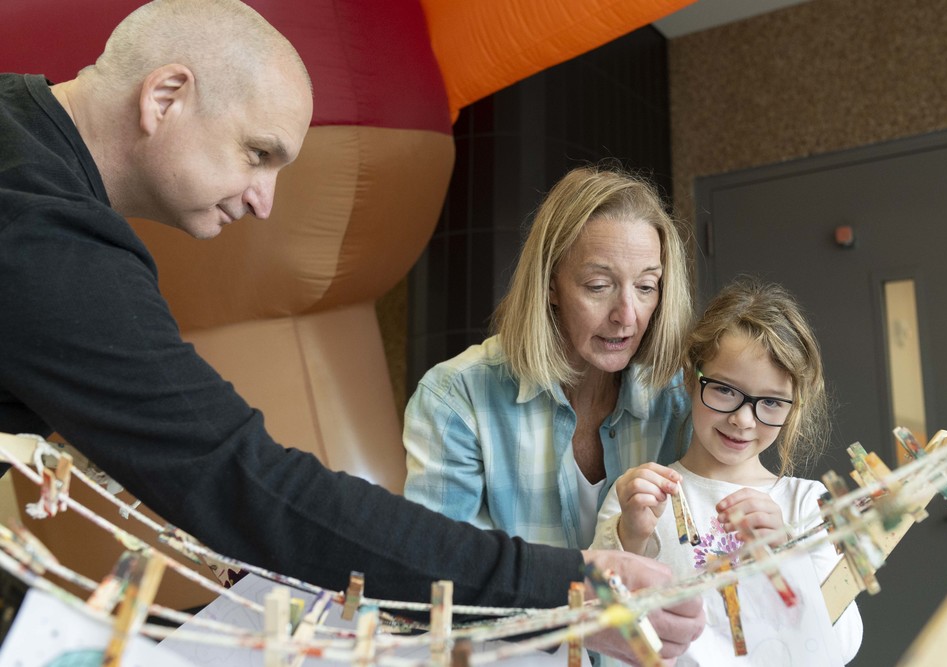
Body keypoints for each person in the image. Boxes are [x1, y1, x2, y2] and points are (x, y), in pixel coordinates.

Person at [0, 1, 704, 662]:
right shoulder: (42, 231)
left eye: (647, 287)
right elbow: (240, 478)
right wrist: (565, 585)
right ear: (165, 97)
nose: (265, 202)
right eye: (258, 153)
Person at [404, 164, 693, 552]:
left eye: (645, 286)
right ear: (550, 285)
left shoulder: (679, 398)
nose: (627, 316)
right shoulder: (458, 397)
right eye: (599, 286)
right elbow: (443, 566)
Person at [591, 277, 863, 664]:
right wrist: (629, 538)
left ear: (794, 406)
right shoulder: (641, 497)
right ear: (690, 378)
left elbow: (843, 645)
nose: (743, 420)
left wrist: (789, 557)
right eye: (724, 390)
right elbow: (596, 632)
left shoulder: (806, 505)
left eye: (770, 402)